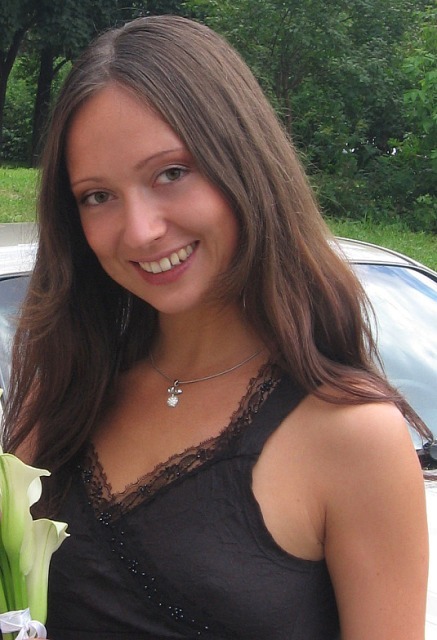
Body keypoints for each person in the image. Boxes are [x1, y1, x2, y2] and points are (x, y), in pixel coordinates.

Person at [2, 14, 431, 640]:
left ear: (243, 164)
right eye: (98, 195)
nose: (140, 231)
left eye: (171, 173)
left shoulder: (353, 436)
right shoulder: (64, 391)